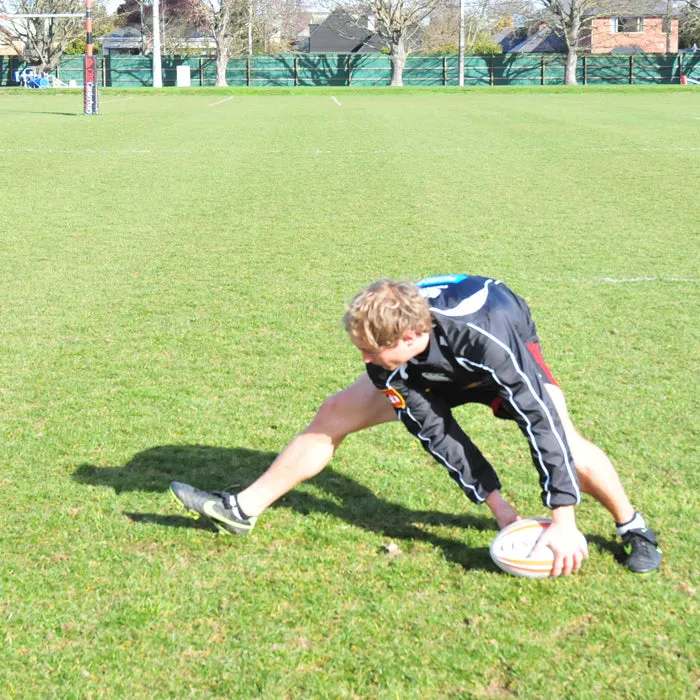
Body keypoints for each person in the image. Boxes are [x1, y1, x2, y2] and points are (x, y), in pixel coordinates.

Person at [171, 274, 662, 576]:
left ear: (409, 335)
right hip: (427, 368)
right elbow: (436, 431)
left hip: (500, 353)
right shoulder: (389, 360)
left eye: (371, 351)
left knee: (566, 442)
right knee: (334, 413)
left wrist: (563, 520)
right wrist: (500, 508)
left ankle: (633, 526)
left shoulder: (484, 340)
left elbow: (540, 424)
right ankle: (242, 510)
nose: (364, 359)